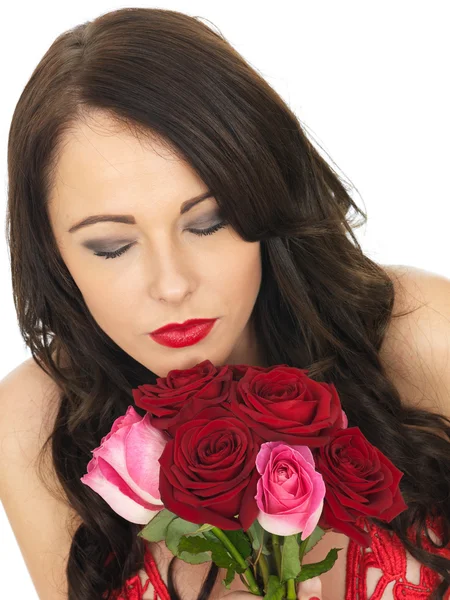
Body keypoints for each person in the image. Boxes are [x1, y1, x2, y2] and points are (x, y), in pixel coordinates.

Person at [0, 7, 449, 600]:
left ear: (265, 198)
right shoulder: (33, 422)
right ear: (53, 252)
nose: (172, 284)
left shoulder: (422, 337)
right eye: (111, 246)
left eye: (208, 222)